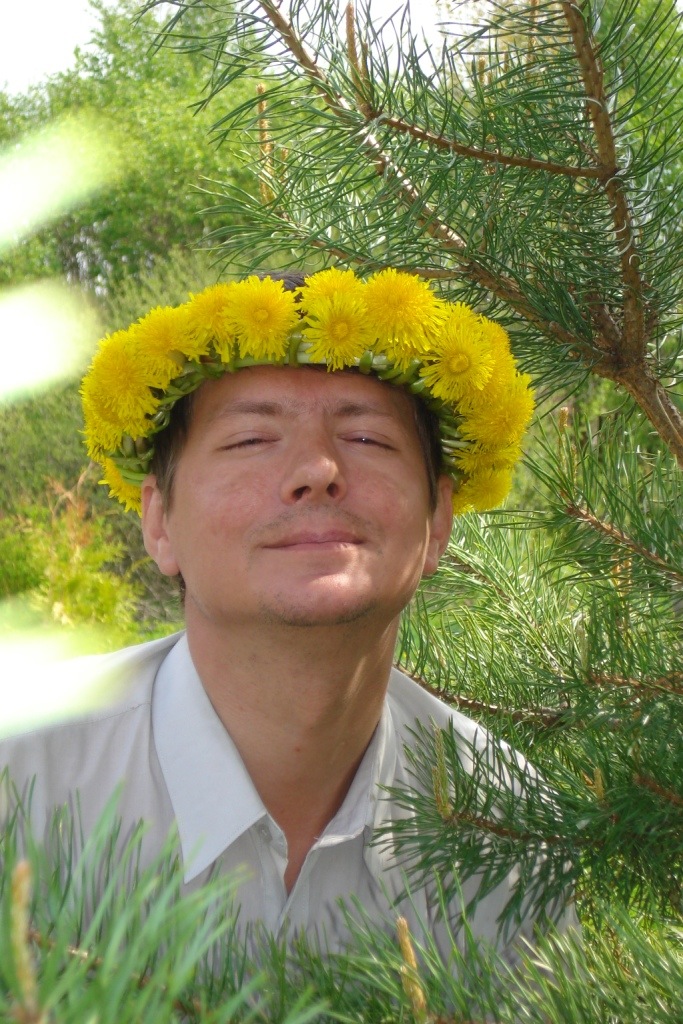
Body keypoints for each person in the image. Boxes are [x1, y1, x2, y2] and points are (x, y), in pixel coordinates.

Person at [0, 268, 573, 964]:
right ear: (158, 521)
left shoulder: (511, 831)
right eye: (250, 439)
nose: (317, 469)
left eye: (368, 439)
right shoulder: (20, 779)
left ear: (439, 520)